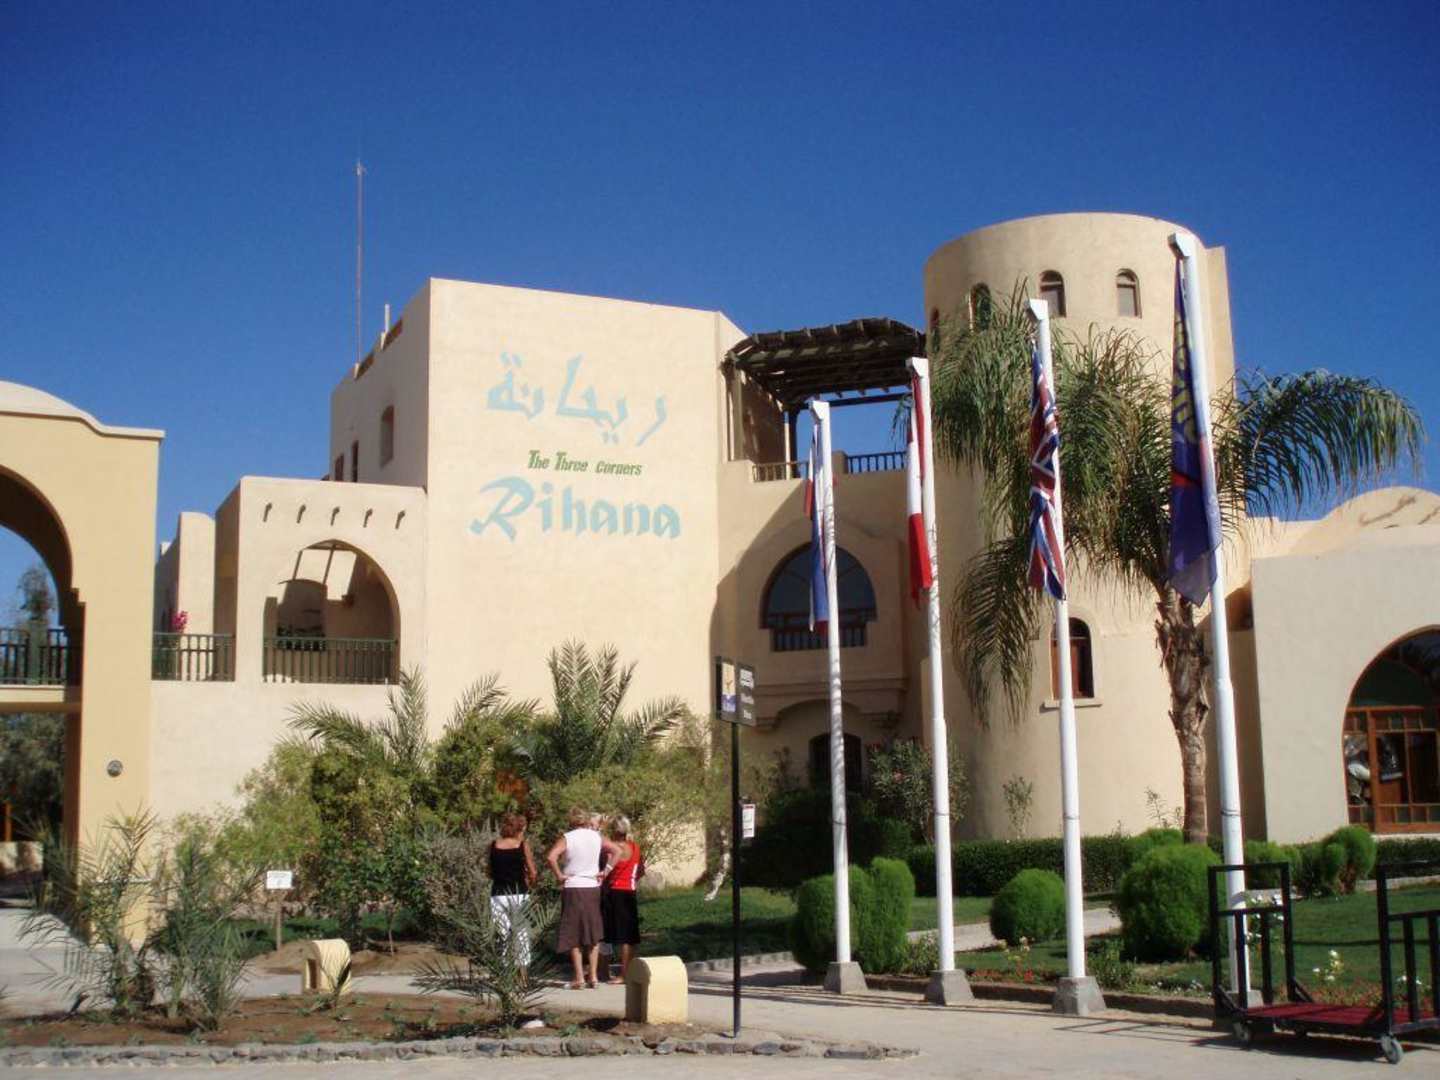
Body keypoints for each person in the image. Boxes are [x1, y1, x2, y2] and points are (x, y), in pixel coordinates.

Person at [546, 806, 621, 989]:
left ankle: (579, 977)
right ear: (586, 820)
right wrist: (605, 871)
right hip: (592, 886)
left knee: (574, 933)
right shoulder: (596, 836)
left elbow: (551, 857)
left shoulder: (568, 837)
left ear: (571, 821)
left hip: (573, 886)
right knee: (593, 932)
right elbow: (617, 851)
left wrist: (559, 875)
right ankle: (593, 976)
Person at [488, 812, 537, 968]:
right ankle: (521, 972)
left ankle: (503, 968)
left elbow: (488, 871)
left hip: (498, 893)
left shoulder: (493, 845)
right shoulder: (522, 845)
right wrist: (531, 884)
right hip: (519, 893)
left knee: (502, 933)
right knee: (521, 933)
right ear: (518, 828)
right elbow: (533, 872)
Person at [601, 814, 644, 984]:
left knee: (617, 935)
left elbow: (606, 868)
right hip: (630, 891)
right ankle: (627, 972)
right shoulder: (635, 847)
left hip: (616, 891)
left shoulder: (613, 848)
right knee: (629, 936)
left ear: (614, 830)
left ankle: (620, 974)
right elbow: (641, 870)